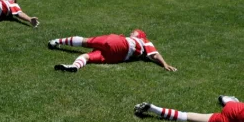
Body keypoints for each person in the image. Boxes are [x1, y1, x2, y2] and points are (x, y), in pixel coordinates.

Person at [47, 30, 176, 73]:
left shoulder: (143, 40)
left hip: (119, 43)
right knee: (87, 57)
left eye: (134, 31)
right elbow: (152, 56)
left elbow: (155, 54)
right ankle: (74, 66)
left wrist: (165, 64)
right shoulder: (142, 50)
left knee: (86, 42)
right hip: (118, 57)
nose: (132, 32)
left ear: (139, 35)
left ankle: (57, 41)